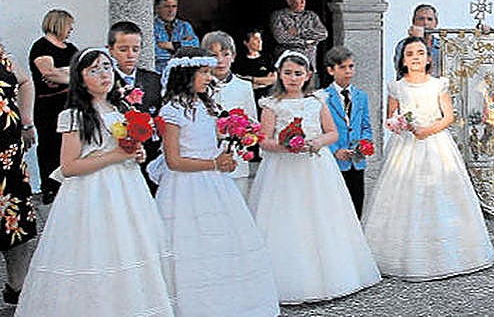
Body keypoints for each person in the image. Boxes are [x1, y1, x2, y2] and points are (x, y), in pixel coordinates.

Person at [17, 48, 172, 317]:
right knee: (95, 249)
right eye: (94, 70)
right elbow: (69, 166)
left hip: (127, 190)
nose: (104, 75)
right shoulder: (75, 115)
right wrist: (115, 155)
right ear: (80, 78)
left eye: (107, 67)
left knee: (129, 246)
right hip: (92, 193)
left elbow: (125, 149)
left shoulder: (122, 109)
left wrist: (137, 153)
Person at [153, 47, 279, 317]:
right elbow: (174, 160)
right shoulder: (172, 110)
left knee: (222, 242)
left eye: (209, 72)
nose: (209, 77)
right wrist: (213, 164)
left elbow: (209, 143)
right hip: (184, 187)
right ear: (185, 74)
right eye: (203, 72)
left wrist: (226, 154)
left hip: (214, 183)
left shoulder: (205, 106)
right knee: (190, 245)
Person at [249, 50, 379, 303]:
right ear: (279, 74)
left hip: (315, 166)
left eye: (298, 73)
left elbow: (331, 132)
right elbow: (263, 140)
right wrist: (286, 146)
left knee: (320, 214)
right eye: (288, 73)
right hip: (282, 170)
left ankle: (331, 275)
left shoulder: (317, 100)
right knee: (287, 217)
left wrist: (317, 142)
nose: (293, 78)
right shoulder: (271, 104)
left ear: (307, 75)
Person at [363, 36, 494, 279]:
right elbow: (391, 117)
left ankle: (449, 254)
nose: (415, 57)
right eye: (410, 54)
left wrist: (427, 130)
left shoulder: (437, 85)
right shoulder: (397, 87)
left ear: (428, 59)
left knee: (442, 194)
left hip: (436, 143)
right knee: (403, 195)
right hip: (406, 147)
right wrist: (400, 124)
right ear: (403, 60)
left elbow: (448, 116)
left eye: (420, 53)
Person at [107, 21, 164, 194]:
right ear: (111, 50)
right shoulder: (106, 82)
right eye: (123, 49)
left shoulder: (153, 79)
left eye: (135, 49)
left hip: (150, 151)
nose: (130, 55)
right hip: (117, 153)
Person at [0, 42, 37, 305]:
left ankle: (17, 287)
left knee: (15, 224)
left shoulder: (3, 58)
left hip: (8, 157)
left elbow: (25, 82)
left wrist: (26, 121)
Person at [28, 8, 77, 204]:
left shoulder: (70, 48)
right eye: (69, 25)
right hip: (49, 104)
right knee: (50, 145)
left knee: (70, 143)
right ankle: (50, 187)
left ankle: (69, 185)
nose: (71, 29)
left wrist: (65, 72)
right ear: (59, 24)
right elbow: (49, 72)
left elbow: (81, 70)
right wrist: (69, 74)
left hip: (70, 102)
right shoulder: (41, 47)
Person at [202, 31, 258, 199]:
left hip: (236, 161)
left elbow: (253, 123)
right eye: (214, 55)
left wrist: (243, 134)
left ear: (233, 56)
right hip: (206, 158)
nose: (220, 61)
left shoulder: (244, 86)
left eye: (225, 54)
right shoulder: (199, 87)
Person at [322, 46, 373, 217]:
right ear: (331, 70)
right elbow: (320, 130)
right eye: (342, 67)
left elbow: (366, 126)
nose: (348, 71)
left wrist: (365, 143)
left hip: (356, 161)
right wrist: (334, 150)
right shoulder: (323, 97)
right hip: (334, 161)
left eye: (351, 66)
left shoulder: (361, 96)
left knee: (357, 205)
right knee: (335, 207)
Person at [270, 0, 328, 66]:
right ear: (289, 1)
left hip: (309, 60)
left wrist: (299, 32)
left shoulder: (311, 16)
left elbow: (323, 33)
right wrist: (306, 42)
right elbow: (281, 38)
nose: (303, 1)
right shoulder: (279, 15)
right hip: (288, 59)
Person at [153, 0, 200, 72]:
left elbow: (195, 47)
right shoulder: (151, 27)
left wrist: (172, 45)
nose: (171, 10)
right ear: (157, 9)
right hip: (159, 71)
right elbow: (155, 53)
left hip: (182, 72)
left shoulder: (184, 26)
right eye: (167, 6)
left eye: (174, 6)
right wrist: (183, 49)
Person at [395, 3, 441, 78]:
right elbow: (403, 72)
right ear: (414, 22)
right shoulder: (403, 45)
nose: (425, 23)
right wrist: (416, 40)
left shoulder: (443, 46)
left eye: (429, 19)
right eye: (421, 19)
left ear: (436, 23)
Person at [232, 28, 277, 101]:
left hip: (267, 97)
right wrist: (263, 81)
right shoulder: (240, 61)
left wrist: (252, 79)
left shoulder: (267, 58)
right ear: (246, 43)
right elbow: (239, 82)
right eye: (256, 39)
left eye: (260, 39)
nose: (260, 41)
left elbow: (273, 79)